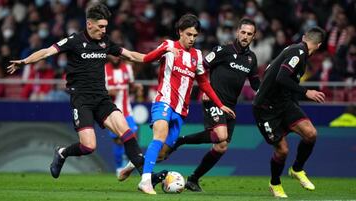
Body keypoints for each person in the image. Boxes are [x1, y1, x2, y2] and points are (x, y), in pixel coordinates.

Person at [7, 3, 173, 184]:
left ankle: (147, 177)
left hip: (102, 98)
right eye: (101, 27)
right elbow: (47, 52)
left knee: (127, 133)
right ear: (89, 24)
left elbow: (134, 56)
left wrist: (160, 53)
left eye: (105, 27)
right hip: (82, 100)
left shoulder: (105, 42)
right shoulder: (74, 41)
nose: (103, 30)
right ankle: (62, 152)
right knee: (89, 146)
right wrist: (24, 61)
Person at [137, 14, 236, 194]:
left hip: (181, 109)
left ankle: (135, 163)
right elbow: (147, 59)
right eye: (189, 34)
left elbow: (204, 83)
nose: (192, 39)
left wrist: (219, 104)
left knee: (163, 152)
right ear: (180, 32)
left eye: (195, 36)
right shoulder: (168, 45)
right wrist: (163, 52)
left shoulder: (197, 56)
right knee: (159, 136)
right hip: (163, 100)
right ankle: (145, 181)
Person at [172, 18, 260, 192]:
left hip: (230, 106)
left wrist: (266, 92)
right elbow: (201, 67)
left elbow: (255, 83)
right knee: (221, 134)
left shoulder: (251, 58)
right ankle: (179, 141)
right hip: (213, 99)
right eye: (243, 32)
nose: (245, 36)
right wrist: (205, 89)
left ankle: (193, 179)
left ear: (253, 36)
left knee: (221, 147)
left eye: (249, 34)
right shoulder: (222, 50)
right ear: (237, 32)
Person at [252, 26, 326, 198]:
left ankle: (297, 169)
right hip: (265, 108)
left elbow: (285, 82)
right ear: (319, 45)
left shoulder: (297, 51)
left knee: (311, 134)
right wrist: (307, 92)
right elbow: (281, 77)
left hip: (284, 103)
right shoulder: (298, 52)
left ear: (304, 37)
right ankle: (275, 183)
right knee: (282, 150)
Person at [104, 54, 143, 175]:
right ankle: (119, 166)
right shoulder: (104, 69)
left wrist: (137, 88)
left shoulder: (127, 69)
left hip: (127, 111)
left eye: (117, 56)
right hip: (112, 111)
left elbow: (131, 86)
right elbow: (99, 90)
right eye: (113, 55)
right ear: (109, 56)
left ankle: (128, 162)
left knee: (132, 137)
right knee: (118, 140)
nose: (116, 58)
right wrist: (109, 91)